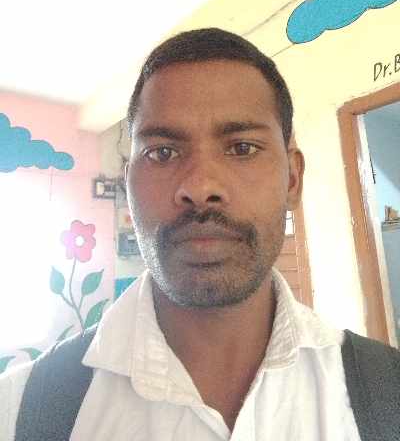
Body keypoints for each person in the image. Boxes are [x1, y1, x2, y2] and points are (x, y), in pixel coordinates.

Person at [1, 28, 399, 441]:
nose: (200, 186)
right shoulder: (17, 412)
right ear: (128, 186)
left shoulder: (388, 395)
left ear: (293, 180)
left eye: (242, 148)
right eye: (162, 152)